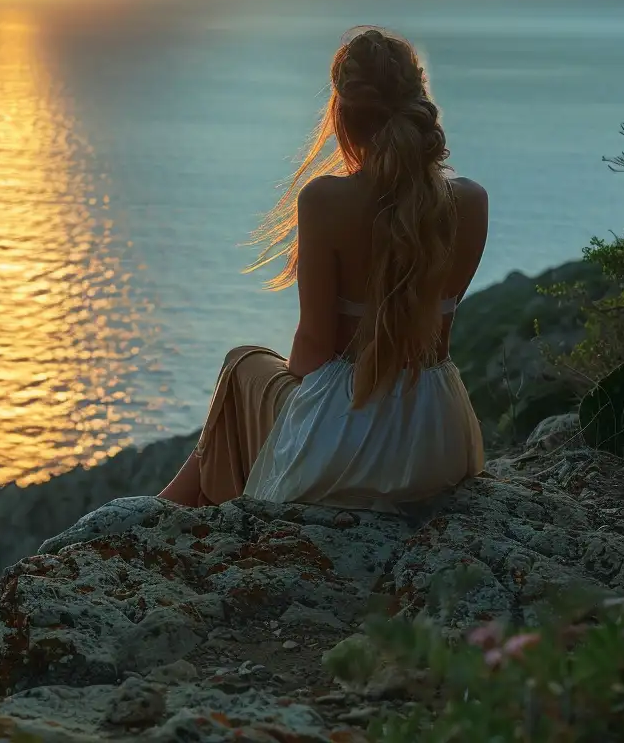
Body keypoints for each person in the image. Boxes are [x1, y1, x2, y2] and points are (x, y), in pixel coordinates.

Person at [160, 27, 489, 508]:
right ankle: (165, 510)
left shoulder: (325, 200)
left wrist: (295, 411)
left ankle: (160, 516)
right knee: (255, 388)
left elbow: (313, 346)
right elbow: (439, 336)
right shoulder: (472, 201)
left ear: (342, 115)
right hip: (437, 438)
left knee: (243, 364)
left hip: (347, 447)